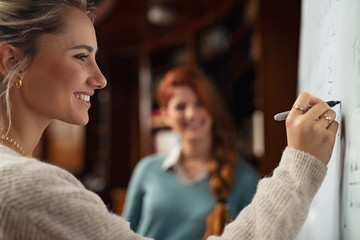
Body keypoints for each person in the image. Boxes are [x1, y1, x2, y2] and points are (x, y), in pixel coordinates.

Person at [0, 0, 338, 239]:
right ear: (10, 59)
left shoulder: (241, 175)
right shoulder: (24, 188)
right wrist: (300, 167)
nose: (100, 79)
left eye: (95, 58)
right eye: (80, 57)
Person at [122, 65, 259, 240]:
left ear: (212, 108)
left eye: (200, 103)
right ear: (165, 116)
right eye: (180, 107)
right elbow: (123, 235)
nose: (191, 114)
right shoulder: (146, 169)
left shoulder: (245, 177)